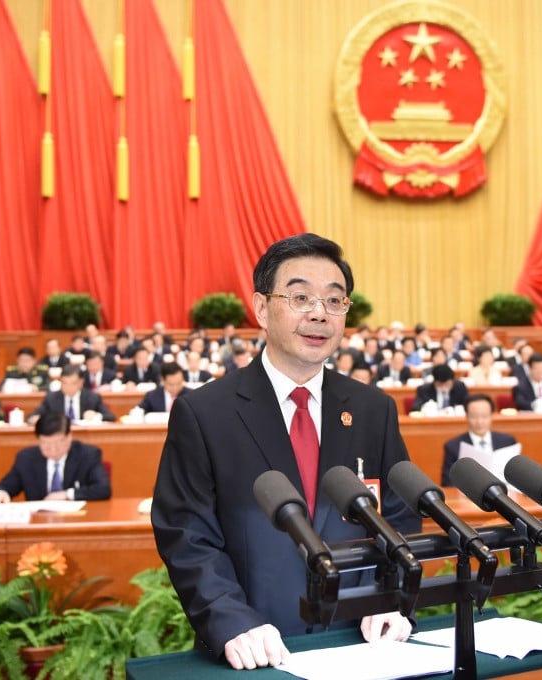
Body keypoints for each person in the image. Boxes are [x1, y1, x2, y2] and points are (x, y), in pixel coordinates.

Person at [151, 234, 421, 669]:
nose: (319, 313)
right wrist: (232, 621)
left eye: (334, 300)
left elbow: (400, 518)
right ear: (261, 308)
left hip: (363, 648)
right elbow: (187, 534)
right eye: (300, 298)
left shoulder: (374, 410)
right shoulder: (205, 413)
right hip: (256, 650)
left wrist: (390, 599)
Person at [0, 413, 111, 503]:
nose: (53, 449)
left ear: (69, 437)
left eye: (58, 443)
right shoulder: (26, 458)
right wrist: (0, 494)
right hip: (38, 522)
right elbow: (4, 487)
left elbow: (103, 489)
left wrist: (67, 495)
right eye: (46, 444)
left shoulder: (88, 454)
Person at [441, 394, 517, 486]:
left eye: (484, 416)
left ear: (492, 416)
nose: (480, 422)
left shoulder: (507, 442)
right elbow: (448, 483)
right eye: (474, 416)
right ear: (467, 417)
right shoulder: (453, 447)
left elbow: (516, 476)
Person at [29, 365, 116, 423]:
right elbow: (32, 416)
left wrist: (96, 416)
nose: (68, 387)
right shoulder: (51, 398)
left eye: (72, 383)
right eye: (64, 383)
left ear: (81, 382)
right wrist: (35, 419)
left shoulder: (92, 397)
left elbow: (111, 416)